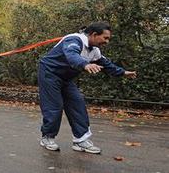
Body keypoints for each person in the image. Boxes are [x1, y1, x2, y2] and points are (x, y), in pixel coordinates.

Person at [38, 22, 136, 154]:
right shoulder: (74, 40)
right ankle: (47, 137)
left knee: (77, 103)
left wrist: (123, 72)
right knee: (55, 106)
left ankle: (81, 140)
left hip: (66, 78)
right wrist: (85, 64)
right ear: (94, 35)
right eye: (105, 38)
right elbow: (72, 55)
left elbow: (107, 64)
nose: (107, 42)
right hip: (49, 73)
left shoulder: (95, 51)